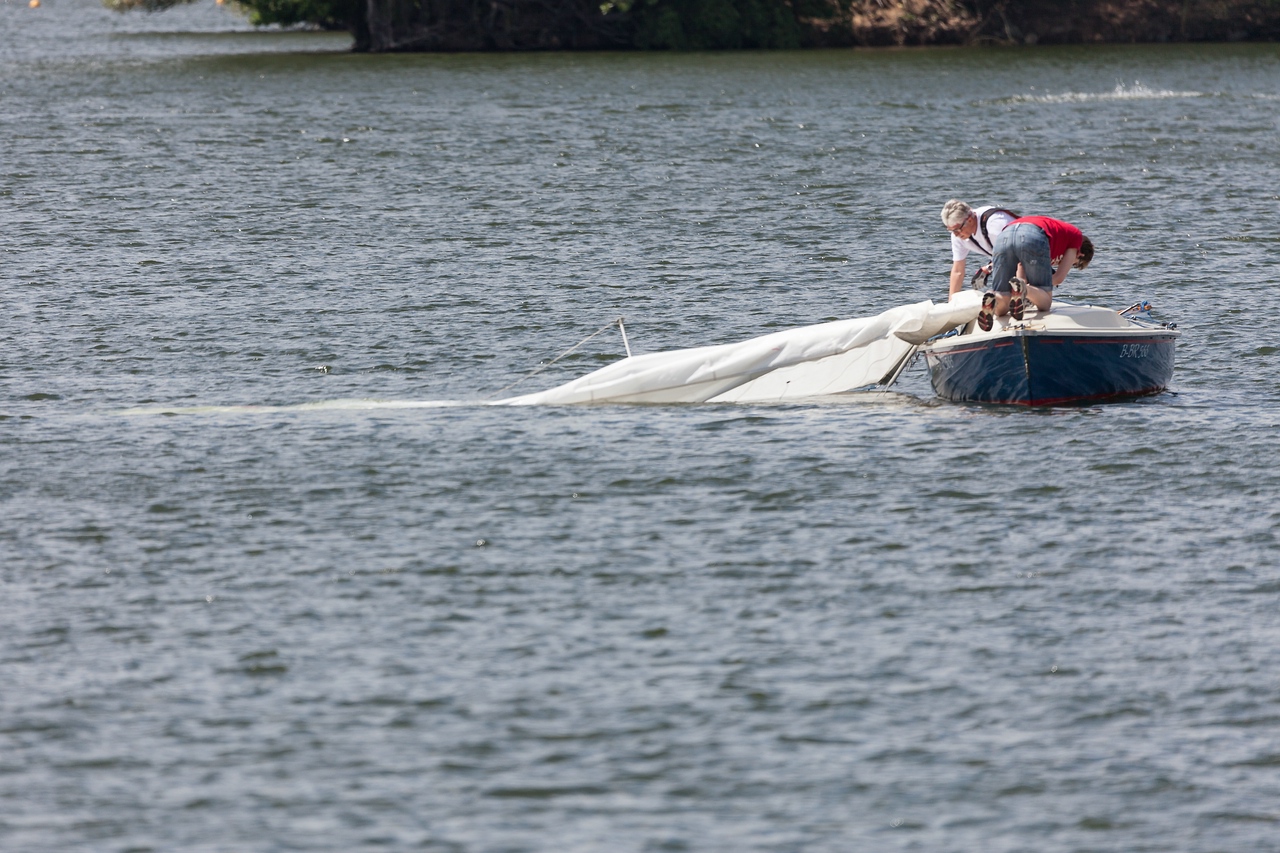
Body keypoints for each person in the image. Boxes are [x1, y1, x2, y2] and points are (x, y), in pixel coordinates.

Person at [978, 215, 1095, 331]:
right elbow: (1058, 278)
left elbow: (1021, 265)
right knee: (1045, 303)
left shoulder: (1059, 238)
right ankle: (1025, 290)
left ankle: (993, 297)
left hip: (1004, 235)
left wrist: (1019, 289)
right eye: (1075, 264)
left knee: (1001, 309)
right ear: (1080, 255)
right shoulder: (1076, 238)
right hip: (1033, 235)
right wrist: (1031, 289)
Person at [939, 199, 1020, 299]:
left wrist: (988, 268)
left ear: (969, 220)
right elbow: (957, 271)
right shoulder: (957, 235)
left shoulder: (994, 224)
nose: (955, 235)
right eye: (951, 230)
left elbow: (1016, 254)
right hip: (1008, 259)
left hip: (1033, 252)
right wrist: (951, 303)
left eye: (956, 230)